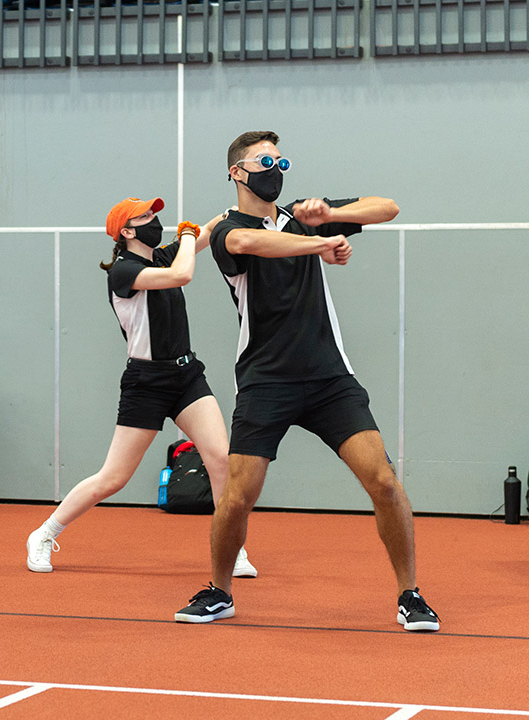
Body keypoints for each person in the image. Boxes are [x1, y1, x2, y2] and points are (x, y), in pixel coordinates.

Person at [174, 131, 439, 631]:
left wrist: (328, 214)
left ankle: (411, 595)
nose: (276, 168)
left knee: (383, 482)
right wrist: (319, 242)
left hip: (329, 379)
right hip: (265, 382)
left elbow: (389, 207)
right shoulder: (230, 229)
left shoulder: (300, 213)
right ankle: (220, 590)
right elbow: (254, 242)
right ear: (237, 172)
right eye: (265, 160)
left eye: (282, 160)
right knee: (238, 495)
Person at [26, 197, 258, 579]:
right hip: (146, 383)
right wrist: (186, 235)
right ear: (128, 231)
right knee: (114, 477)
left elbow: (210, 230)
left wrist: (238, 208)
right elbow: (183, 273)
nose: (156, 220)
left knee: (220, 459)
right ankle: (44, 533)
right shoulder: (123, 271)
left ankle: (232, 548)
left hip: (187, 376)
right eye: (147, 216)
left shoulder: (161, 256)